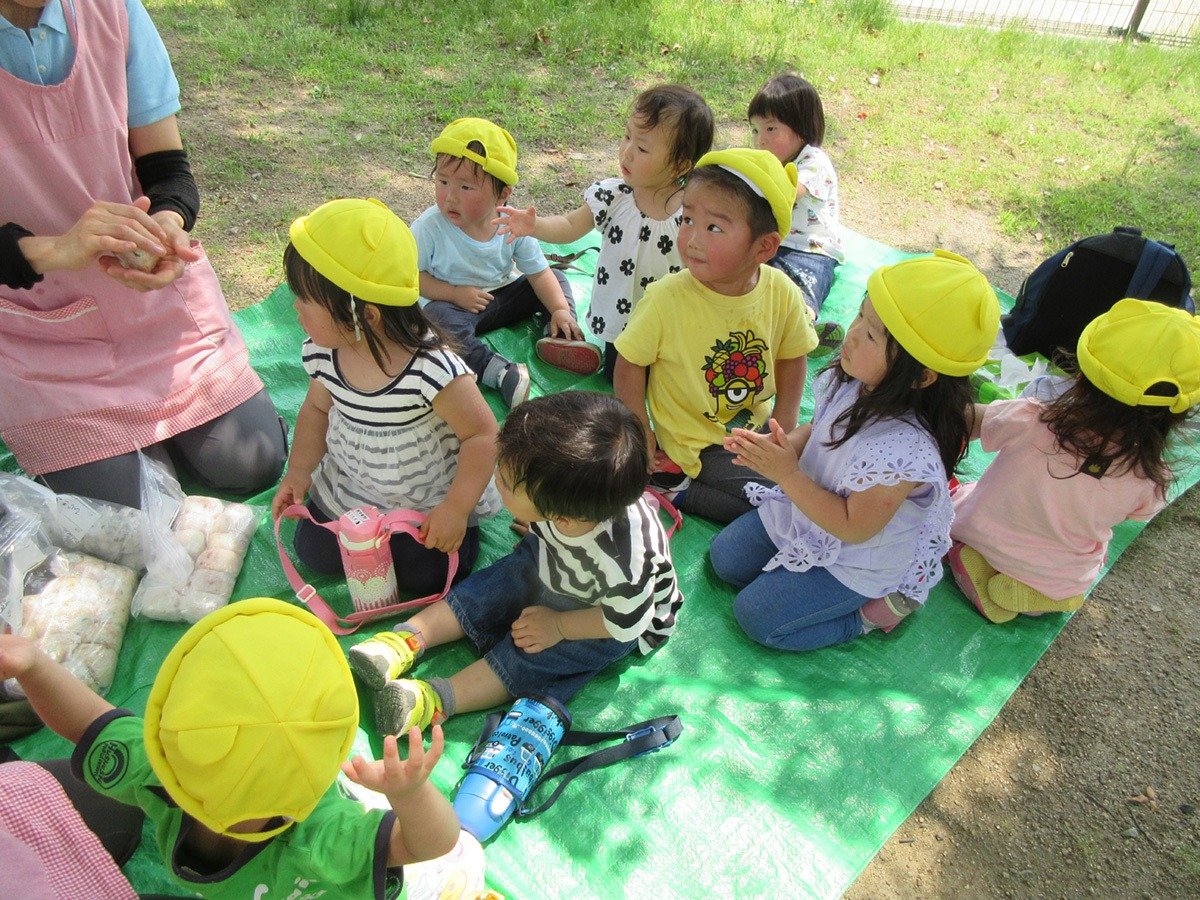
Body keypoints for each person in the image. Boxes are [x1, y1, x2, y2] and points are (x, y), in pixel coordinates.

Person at [0, 0, 285, 509]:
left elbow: (167, 169)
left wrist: (166, 228)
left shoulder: (115, 10)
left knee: (253, 460)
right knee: (140, 507)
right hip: (34, 328)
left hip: (153, 309)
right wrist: (57, 249)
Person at [0, 597, 461, 898]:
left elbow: (87, 724)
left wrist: (34, 667)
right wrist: (409, 794)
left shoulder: (172, 773)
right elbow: (426, 841)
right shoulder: (316, 831)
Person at [345, 391, 684, 735]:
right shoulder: (567, 508)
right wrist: (542, 527)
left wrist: (559, 626)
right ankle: (407, 639)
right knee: (496, 584)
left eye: (506, 482)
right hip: (560, 564)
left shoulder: (625, 563)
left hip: (604, 620)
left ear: (562, 518)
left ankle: (438, 699)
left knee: (535, 656)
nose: (496, 476)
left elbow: (625, 624)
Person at [710, 250, 999, 650]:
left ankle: (869, 617)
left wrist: (787, 473)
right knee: (725, 560)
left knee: (756, 616)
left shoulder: (903, 452)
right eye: (861, 314)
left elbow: (853, 526)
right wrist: (784, 447)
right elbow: (821, 428)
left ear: (921, 377)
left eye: (872, 335)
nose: (853, 333)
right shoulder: (856, 379)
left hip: (855, 557)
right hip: (809, 510)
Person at [271, 198, 500, 595]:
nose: (295, 307)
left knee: (427, 574)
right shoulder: (324, 352)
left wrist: (455, 509)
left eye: (306, 299)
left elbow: (482, 435)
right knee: (312, 550)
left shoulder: (431, 369)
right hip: (353, 485)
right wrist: (299, 471)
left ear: (366, 316)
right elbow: (316, 409)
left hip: (423, 498)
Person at [947, 298, 1200, 623]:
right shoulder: (1149, 478)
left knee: (954, 508)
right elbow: (1137, 515)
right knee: (1080, 552)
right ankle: (1041, 596)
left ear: (1081, 377)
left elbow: (970, 421)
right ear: (1176, 417)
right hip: (1060, 577)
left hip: (982, 536)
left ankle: (977, 571)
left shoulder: (1032, 419)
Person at [614, 148, 819, 524]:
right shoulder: (665, 299)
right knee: (776, 502)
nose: (692, 238)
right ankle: (674, 485)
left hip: (754, 426)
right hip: (697, 441)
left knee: (816, 469)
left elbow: (793, 357)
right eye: (687, 219)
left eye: (714, 228)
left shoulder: (782, 292)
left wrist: (785, 423)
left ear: (764, 247)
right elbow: (629, 363)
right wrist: (641, 430)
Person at [495, 84, 714, 381]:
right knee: (617, 377)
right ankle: (593, 355)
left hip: (669, 322)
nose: (627, 152)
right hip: (621, 318)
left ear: (680, 165)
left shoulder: (690, 213)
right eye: (627, 136)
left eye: (642, 148)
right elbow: (571, 226)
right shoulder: (614, 196)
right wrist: (535, 226)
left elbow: (705, 263)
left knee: (670, 380)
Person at [413, 117, 596, 407]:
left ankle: (560, 333)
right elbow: (413, 278)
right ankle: (500, 373)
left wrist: (560, 308)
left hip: (503, 296)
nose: (450, 197)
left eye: (466, 187)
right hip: (456, 306)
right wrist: (454, 294)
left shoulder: (512, 223)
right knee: (435, 322)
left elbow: (538, 274)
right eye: (443, 181)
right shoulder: (429, 227)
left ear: (502, 194)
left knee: (554, 279)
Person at [748, 72, 845, 350]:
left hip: (811, 249)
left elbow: (787, 194)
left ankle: (808, 328)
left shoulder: (813, 161)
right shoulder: (773, 161)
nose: (760, 140)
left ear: (801, 129)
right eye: (755, 130)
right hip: (777, 243)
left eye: (770, 129)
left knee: (802, 287)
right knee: (753, 280)